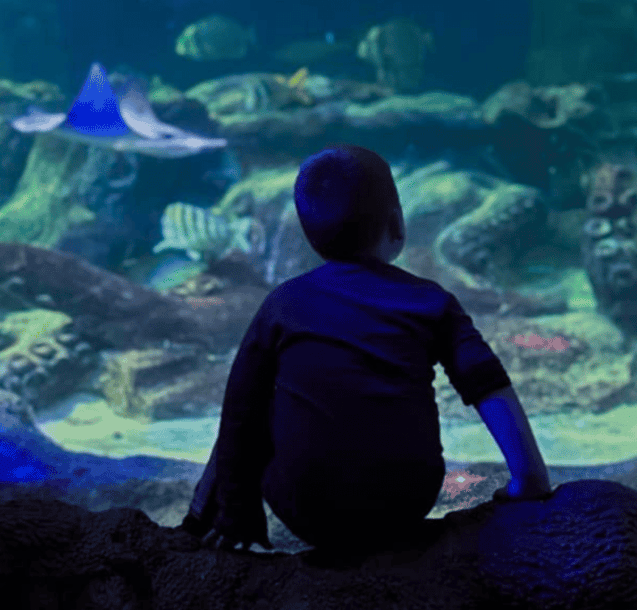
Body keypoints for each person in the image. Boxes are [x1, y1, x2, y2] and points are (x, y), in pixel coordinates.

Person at [181, 145, 554, 557]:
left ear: (309, 235)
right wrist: (530, 479)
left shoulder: (283, 303)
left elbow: (239, 409)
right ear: (396, 223)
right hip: (405, 503)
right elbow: (487, 384)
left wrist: (239, 509)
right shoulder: (430, 301)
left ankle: (200, 520)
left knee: (255, 398)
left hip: (307, 510)